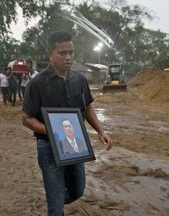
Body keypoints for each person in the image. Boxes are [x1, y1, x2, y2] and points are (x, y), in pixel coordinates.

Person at [22, 31, 113, 215]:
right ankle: (54, 204)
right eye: (62, 53)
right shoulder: (37, 83)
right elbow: (26, 119)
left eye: (71, 52)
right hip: (49, 147)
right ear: (49, 54)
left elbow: (87, 108)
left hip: (75, 145)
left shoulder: (79, 80)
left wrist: (101, 131)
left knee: (77, 191)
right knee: (56, 208)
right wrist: (53, 131)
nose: (68, 57)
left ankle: (54, 198)